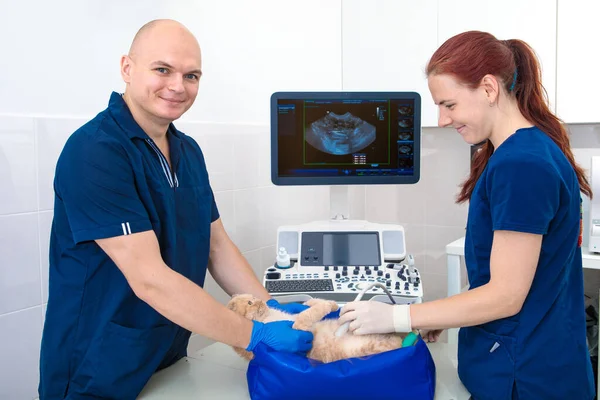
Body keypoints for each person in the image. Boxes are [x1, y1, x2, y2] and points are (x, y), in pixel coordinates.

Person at [39, 19, 313, 400]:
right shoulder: (95, 151)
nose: (177, 86)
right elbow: (148, 278)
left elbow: (217, 247)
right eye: (162, 69)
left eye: (192, 75)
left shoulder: (187, 152)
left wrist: (273, 313)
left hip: (165, 354)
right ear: (127, 68)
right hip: (97, 365)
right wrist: (256, 334)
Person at [338, 30, 595, 400]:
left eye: (449, 105)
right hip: (531, 361)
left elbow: (506, 295)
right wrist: (438, 315)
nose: (442, 119)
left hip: (525, 376)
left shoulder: (521, 164)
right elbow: (504, 274)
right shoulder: (524, 150)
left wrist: (399, 317)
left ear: (489, 88)